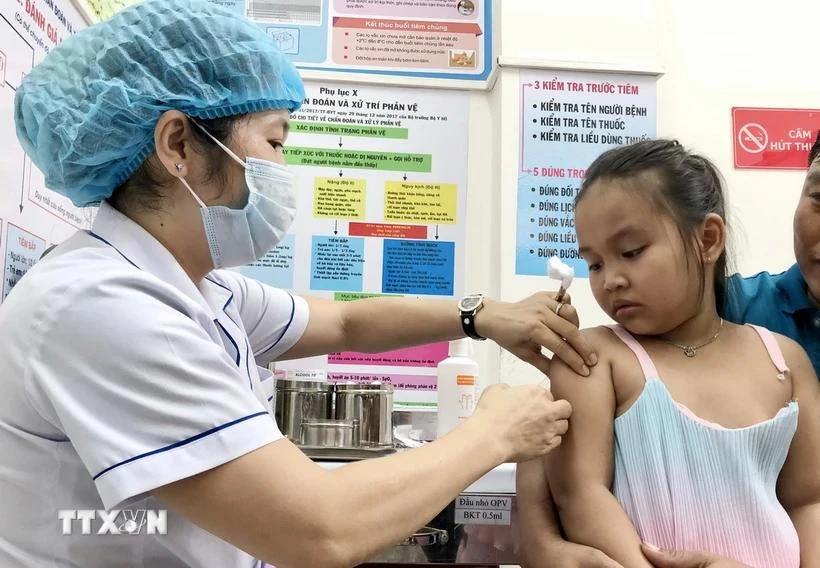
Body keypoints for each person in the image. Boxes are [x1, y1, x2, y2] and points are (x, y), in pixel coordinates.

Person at [0, 2, 590, 566]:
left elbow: (343, 321)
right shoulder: (104, 306)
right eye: (275, 142)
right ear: (178, 145)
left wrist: (480, 314)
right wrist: (495, 431)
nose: (283, 171)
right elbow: (321, 530)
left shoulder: (195, 286)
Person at [517, 133, 820, 568]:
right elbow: (579, 494)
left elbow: (809, 502)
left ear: (708, 240)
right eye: (595, 263)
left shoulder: (784, 360)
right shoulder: (594, 359)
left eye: (631, 252)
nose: (611, 279)